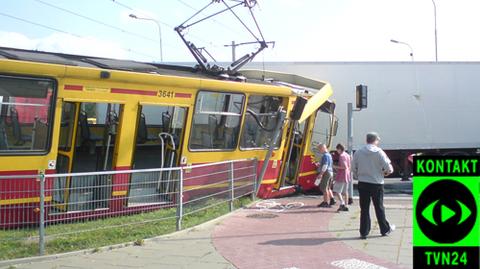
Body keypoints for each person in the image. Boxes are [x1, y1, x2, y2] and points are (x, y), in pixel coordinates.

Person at [352, 132, 395, 239]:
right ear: (375, 140)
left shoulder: (358, 152)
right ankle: (384, 229)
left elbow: (353, 167)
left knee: (364, 208)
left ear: (367, 140)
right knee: (379, 207)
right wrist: (385, 173)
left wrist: (358, 176)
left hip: (363, 183)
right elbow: (389, 168)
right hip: (377, 183)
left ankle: (364, 231)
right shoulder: (379, 152)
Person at [314, 143, 335, 207]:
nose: (319, 150)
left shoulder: (325, 155)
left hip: (326, 173)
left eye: (319, 149)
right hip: (330, 172)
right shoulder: (329, 155)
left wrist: (321, 174)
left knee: (324, 188)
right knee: (328, 187)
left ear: (322, 148)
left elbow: (325, 165)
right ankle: (332, 199)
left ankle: (325, 202)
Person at [333, 143, 351, 212]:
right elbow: (348, 166)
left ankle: (342, 203)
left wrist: (335, 166)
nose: (337, 151)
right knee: (345, 191)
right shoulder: (347, 155)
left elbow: (344, 167)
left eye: (337, 149)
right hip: (347, 175)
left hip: (341, 175)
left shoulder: (342, 156)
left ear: (339, 149)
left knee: (337, 190)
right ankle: (346, 205)